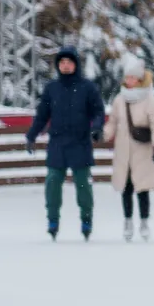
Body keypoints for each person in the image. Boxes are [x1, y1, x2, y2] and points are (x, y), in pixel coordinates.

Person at [25, 45, 106, 240]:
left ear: (76, 64)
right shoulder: (52, 88)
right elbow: (42, 116)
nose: (66, 65)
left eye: (69, 62)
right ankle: (53, 220)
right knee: (52, 181)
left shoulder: (87, 87)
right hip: (58, 144)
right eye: (62, 62)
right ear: (58, 65)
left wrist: (96, 127)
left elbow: (98, 111)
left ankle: (86, 219)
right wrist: (31, 135)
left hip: (80, 143)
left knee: (83, 185)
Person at [102, 58, 154, 242]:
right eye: (127, 77)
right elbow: (113, 122)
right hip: (124, 152)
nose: (128, 80)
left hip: (143, 151)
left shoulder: (150, 101)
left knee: (143, 189)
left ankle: (144, 222)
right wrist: (104, 134)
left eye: (132, 77)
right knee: (126, 187)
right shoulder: (119, 100)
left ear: (139, 79)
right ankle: (128, 221)